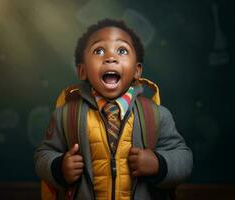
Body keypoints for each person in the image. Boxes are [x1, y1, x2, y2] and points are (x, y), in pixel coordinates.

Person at [34, 18, 193, 200]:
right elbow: (42, 155)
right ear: (82, 71)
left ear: (137, 70)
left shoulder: (156, 114)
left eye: (122, 50)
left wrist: (159, 164)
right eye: (99, 50)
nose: (110, 57)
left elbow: (184, 158)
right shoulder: (66, 114)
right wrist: (59, 167)